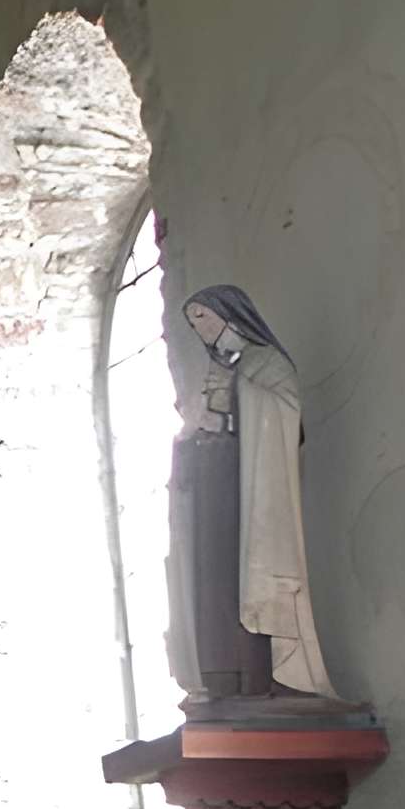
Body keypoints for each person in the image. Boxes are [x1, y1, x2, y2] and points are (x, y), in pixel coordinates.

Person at [172, 285, 338, 703]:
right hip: (220, 489)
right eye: (194, 323)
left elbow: (285, 411)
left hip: (254, 491)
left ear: (231, 314)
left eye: (204, 317)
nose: (201, 329)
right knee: (216, 580)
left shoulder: (265, 363)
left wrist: (236, 394)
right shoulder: (222, 368)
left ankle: (274, 677)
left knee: (256, 575)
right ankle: (226, 680)